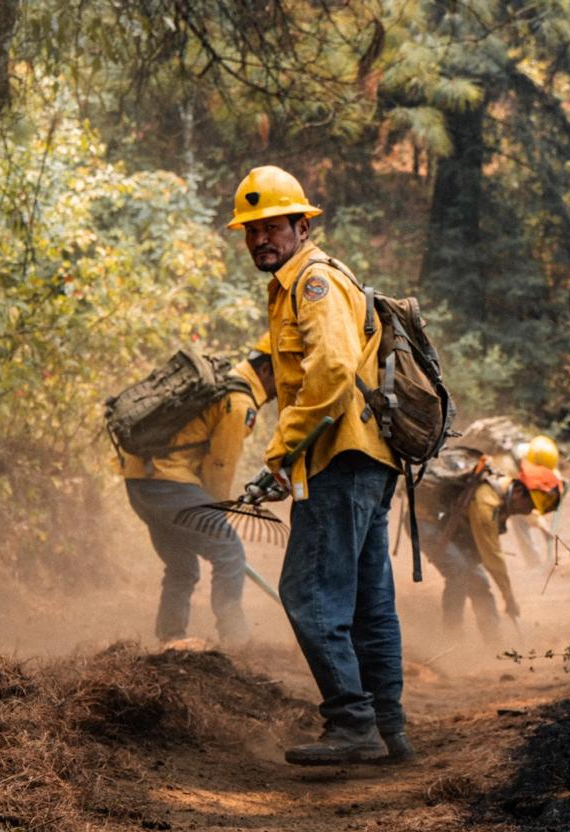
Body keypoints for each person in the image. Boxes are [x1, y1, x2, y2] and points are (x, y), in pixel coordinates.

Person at [227, 165, 412, 766]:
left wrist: (280, 450)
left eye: (272, 227)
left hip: (342, 460)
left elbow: (331, 372)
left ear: (301, 227)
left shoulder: (313, 282)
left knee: (307, 592)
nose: (260, 239)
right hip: (361, 459)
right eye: (251, 230)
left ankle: (352, 723)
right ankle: (390, 729)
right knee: (366, 602)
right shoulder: (294, 285)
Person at [122, 337, 276, 646]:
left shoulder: (223, 382)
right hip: (168, 484)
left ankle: (170, 637)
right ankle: (236, 640)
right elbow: (219, 466)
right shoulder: (239, 403)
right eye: (288, 372)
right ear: (266, 370)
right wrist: (218, 514)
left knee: (182, 566)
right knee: (228, 549)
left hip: (139, 480)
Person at [417, 436, 565, 644]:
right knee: (459, 571)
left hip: (447, 527)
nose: (528, 511)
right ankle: (452, 638)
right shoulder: (487, 504)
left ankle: (495, 644)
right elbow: (492, 557)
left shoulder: (504, 486)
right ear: (519, 492)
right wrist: (509, 597)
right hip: (423, 521)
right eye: (530, 505)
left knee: (479, 583)